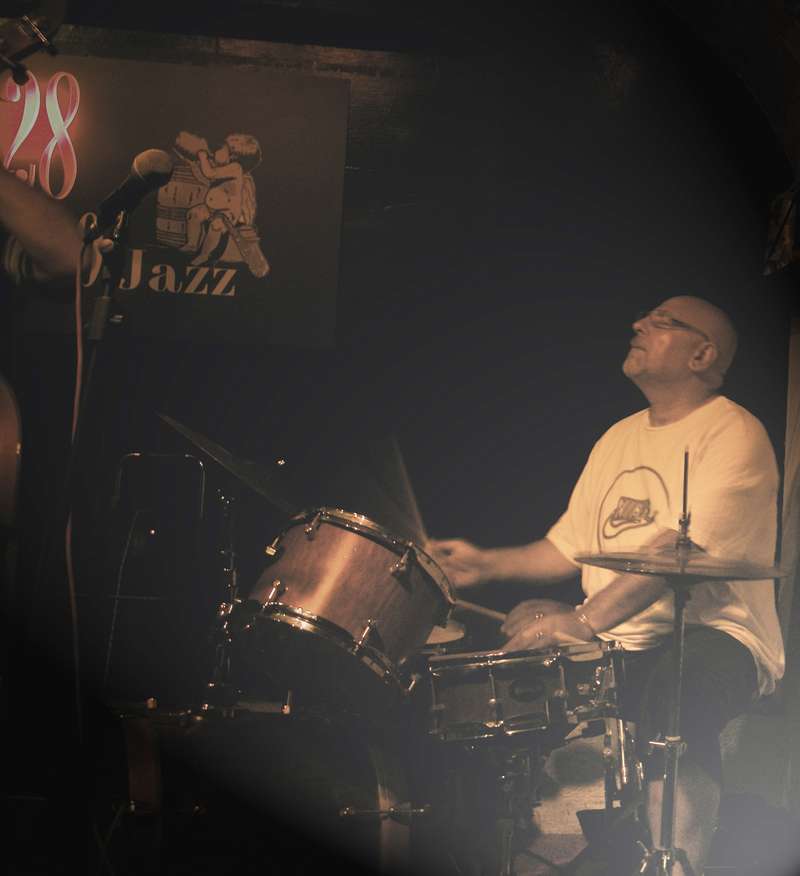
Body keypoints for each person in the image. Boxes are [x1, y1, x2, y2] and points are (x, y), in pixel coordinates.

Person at [427, 296, 785, 876]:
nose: (639, 324)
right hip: (620, 636)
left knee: (677, 690)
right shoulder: (618, 437)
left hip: (716, 633)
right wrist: (484, 564)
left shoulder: (734, 433)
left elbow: (677, 553)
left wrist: (581, 620)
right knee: (496, 687)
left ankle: (678, 860)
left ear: (702, 355)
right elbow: (565, 547)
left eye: (662, 321)